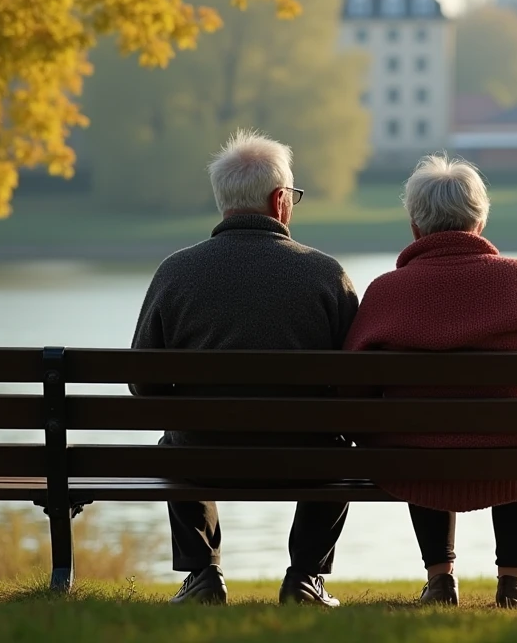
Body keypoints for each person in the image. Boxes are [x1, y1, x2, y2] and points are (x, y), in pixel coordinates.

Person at [130, 130, 359, 607]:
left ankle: (202, 574)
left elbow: (142, 380)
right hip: (308, 460)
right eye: (292, 197)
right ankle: (304, 577)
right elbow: (359, 384)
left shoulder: (176, 271)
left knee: (174, 442)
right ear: (279, 201)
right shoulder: (325, 273)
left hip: (203, 455)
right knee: (343, 447)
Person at [343, 154, 517, 610]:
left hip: (414, 455)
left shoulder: (386, 290)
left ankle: (439, 580)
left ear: (414, 225)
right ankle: (513, 580)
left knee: (416, 431)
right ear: (479, 219)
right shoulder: (516, 279)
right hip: (511, 451)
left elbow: (355, 389)